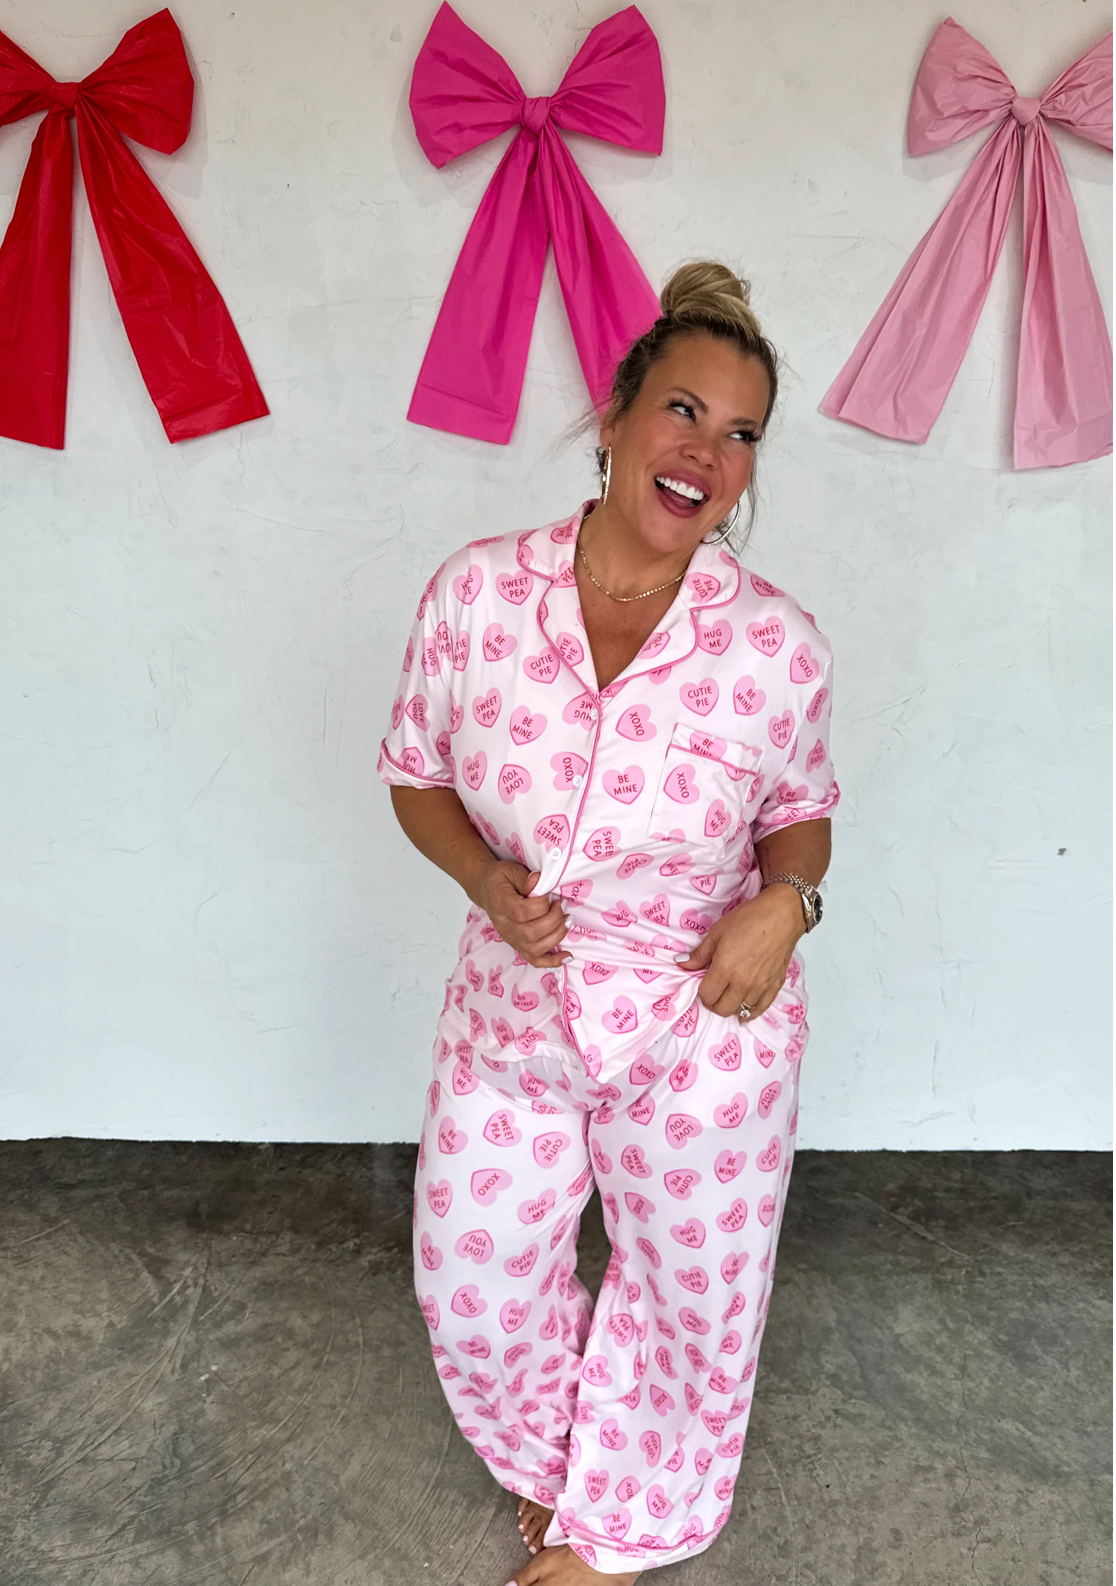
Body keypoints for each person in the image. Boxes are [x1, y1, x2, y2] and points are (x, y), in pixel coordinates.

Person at [379, 261, 839, 1585]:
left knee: (691, 1301)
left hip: (707, 1017)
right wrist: (482, 880)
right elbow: (416, 773)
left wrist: (786, 903)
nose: (707, 451)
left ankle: (614, 1532)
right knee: (472, 1274)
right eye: (684, 410)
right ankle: (564, 1463)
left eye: (742, 432)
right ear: (618, 415)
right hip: (520, 1006)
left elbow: (802, 810)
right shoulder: (476, 600)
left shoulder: (778, 649)